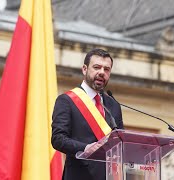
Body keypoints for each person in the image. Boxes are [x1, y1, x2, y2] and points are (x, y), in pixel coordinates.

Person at [51, 48, 124, 180]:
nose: (102, 72)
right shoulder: (67, 100)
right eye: (97, 67)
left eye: (106, 69)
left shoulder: (113, 105)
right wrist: (86, 148)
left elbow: (121, 142)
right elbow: (58, 139)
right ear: (84, 69)